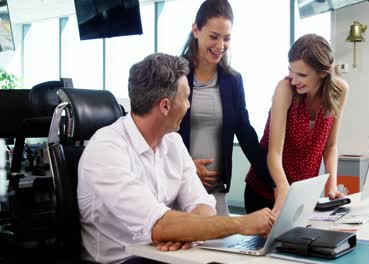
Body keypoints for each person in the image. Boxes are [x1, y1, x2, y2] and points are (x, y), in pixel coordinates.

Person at [77, 53, 276, 264]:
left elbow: (202, 204)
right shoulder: (107, 150)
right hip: (123, 260)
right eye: (186, 98)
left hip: (163, 254)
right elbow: (158, 225)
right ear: (165, 106)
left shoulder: (172, 142)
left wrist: (185, 232)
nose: (189, 106)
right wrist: (242, 224)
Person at [179, 0, 272, 215]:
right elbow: (161, 133)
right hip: (178, 187)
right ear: (196, 30)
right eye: (213, 36)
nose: (220, 45)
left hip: (216, 191)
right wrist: (187, 166)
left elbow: (246, 134)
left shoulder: (233, 81)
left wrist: (276, 182)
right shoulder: (175, 75)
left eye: (226, 38)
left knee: (221, 246)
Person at [244, 34, 348, 214]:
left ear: (322, 73)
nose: (293, 79)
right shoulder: (285, 89)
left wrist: (331, 186)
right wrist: (283, 188)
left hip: (301, 195)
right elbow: (274, 153)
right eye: (291, 70)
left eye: (301, 74)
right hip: (265, 192)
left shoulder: (339, 90)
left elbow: (330, 146)